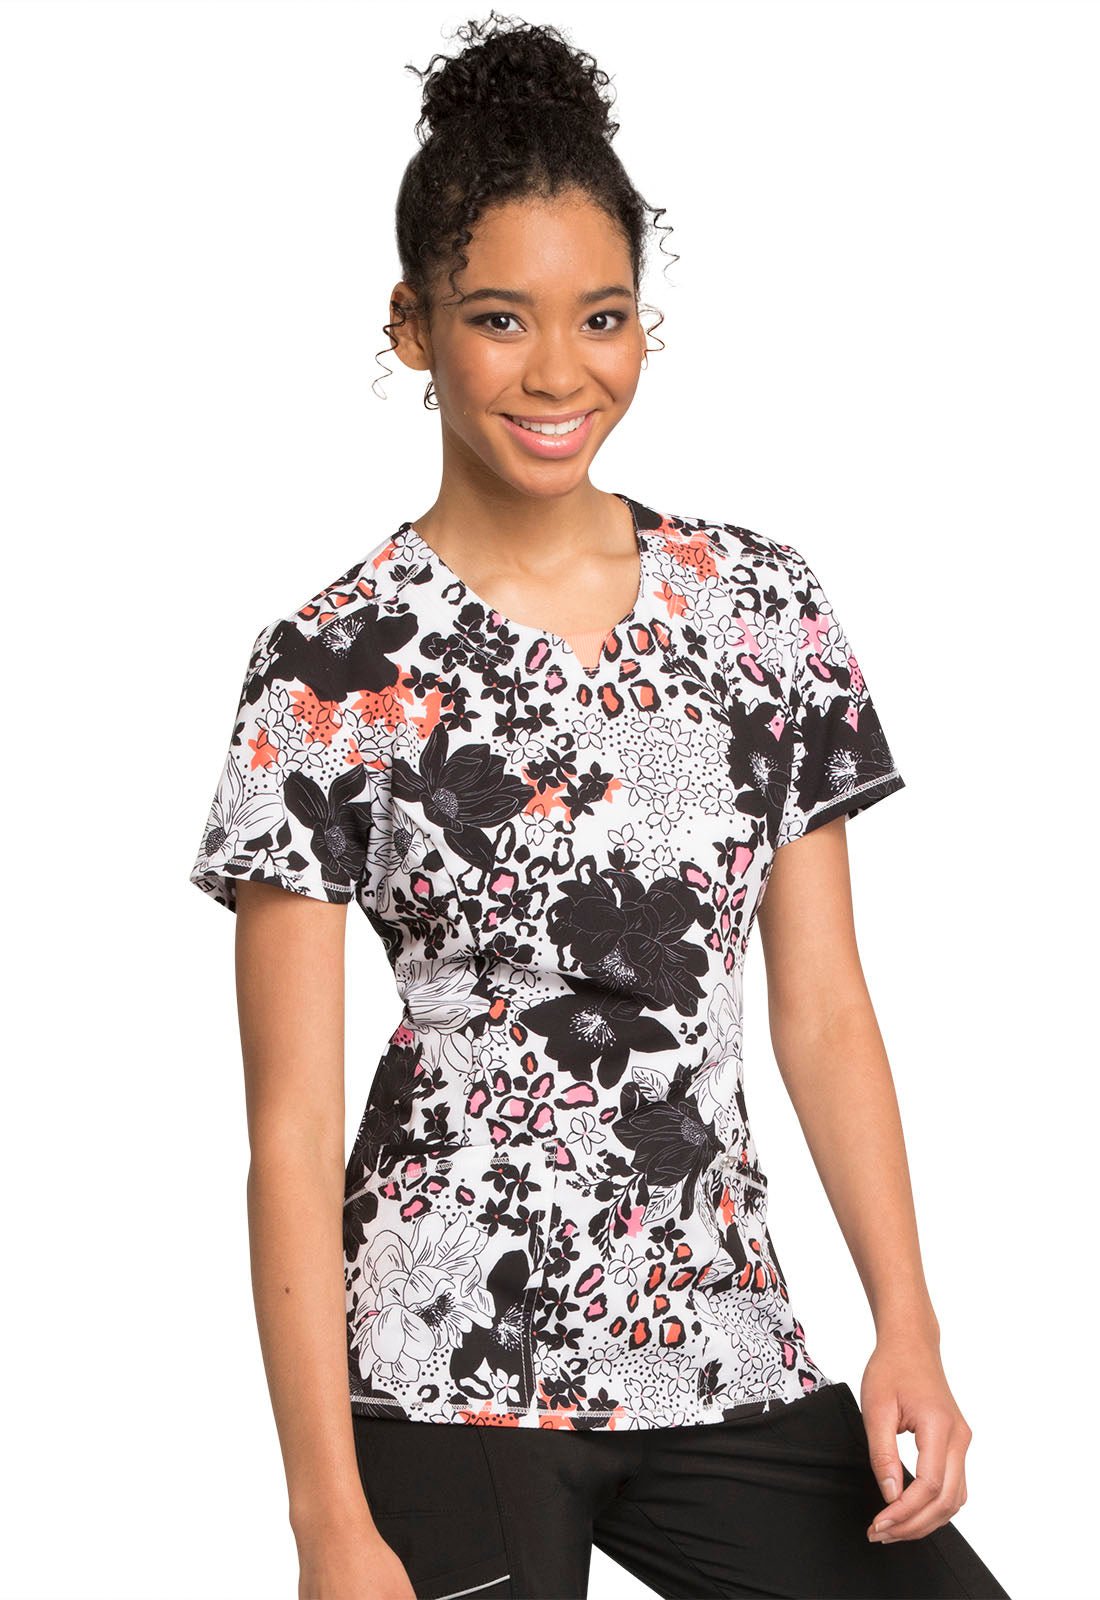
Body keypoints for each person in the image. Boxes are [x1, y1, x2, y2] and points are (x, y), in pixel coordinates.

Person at [189, 13, 1012, 1600]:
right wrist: (326, 1523)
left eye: (604, 317)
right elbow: (285, 1129)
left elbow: (825, 1008)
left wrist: (905, 1322)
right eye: (499, 319)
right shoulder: (330, 667)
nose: (561, 372)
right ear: (413, 326)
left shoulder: (760, 611)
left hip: (720, 1338)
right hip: (441, 1359)